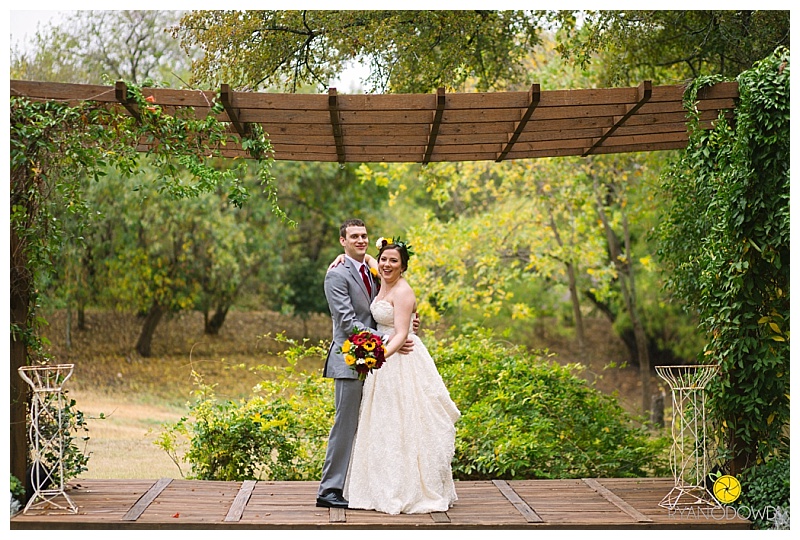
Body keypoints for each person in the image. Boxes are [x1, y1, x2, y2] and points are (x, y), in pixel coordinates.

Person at [343, 238, 460, 515]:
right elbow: (368, 258)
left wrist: (378, 357)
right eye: (384, 259)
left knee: (405, 422)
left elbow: (401, 334)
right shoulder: (381, 272)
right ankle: (378, 486)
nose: (386, 264)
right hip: (383, 359)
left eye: (394, 261)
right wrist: (342, 256)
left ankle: (409, 488)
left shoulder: (404, 291)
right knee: (382, 422)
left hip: (400, 358)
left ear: (403, 266)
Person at [316, 219, 416, 509]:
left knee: (374, 425)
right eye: (354, 237)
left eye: (364, 236)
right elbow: (346, 321)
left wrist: (408, 323)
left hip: (376, 360)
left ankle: (362, 486)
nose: (360, 240)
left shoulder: (372, 272)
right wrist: (390, 337)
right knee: (345, 425)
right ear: (342, 241)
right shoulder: (336, 275)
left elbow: (394, 296)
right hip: (349, 358)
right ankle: (329, 490)